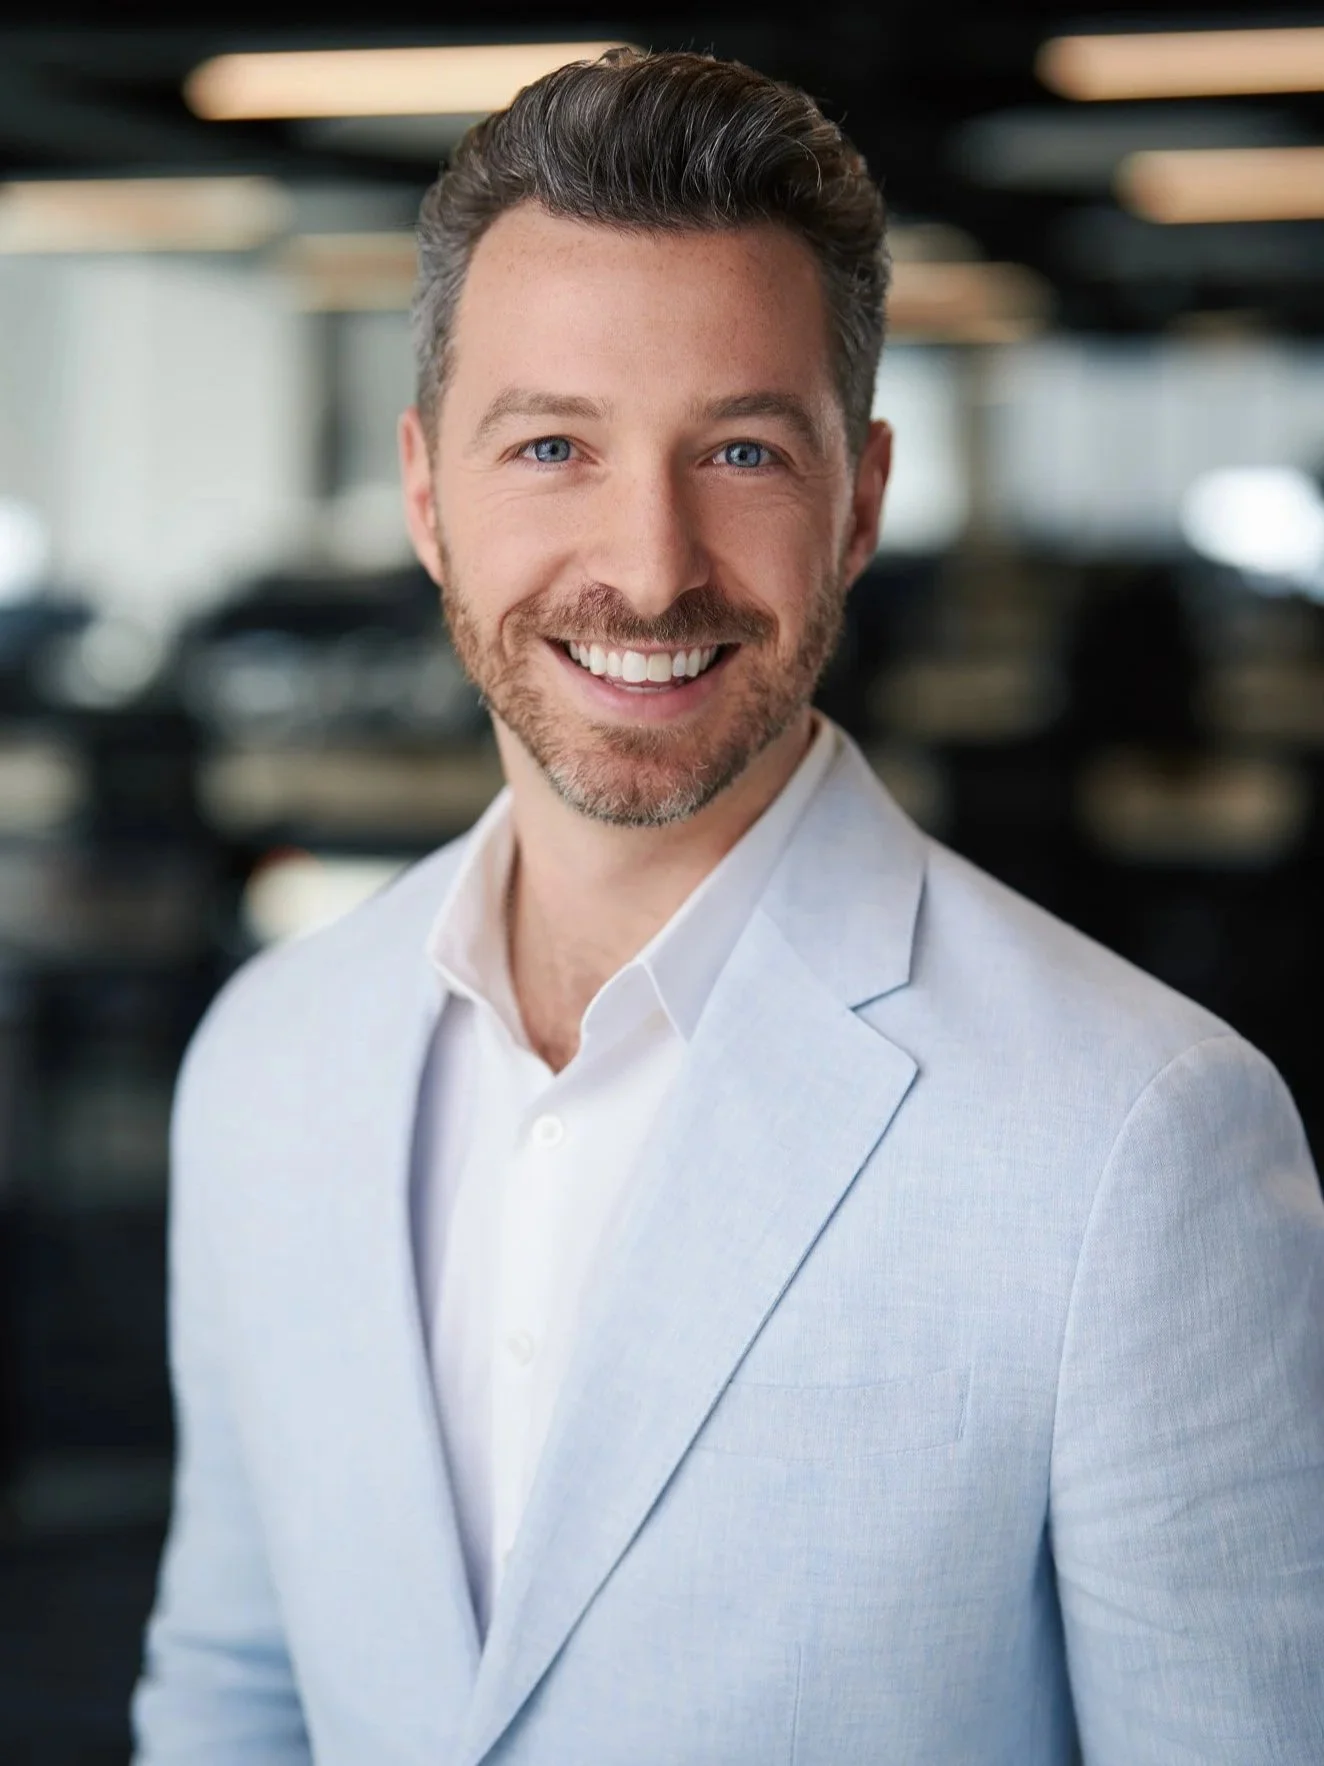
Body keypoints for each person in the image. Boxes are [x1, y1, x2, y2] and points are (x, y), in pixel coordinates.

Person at [132, 47, 1324, 1766]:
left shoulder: (1139, 1138)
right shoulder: (267, 1055)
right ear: (422, 496)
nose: (652, 561)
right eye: (551, 443)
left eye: (746, 451)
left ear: (864, 502)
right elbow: (234, 1692)